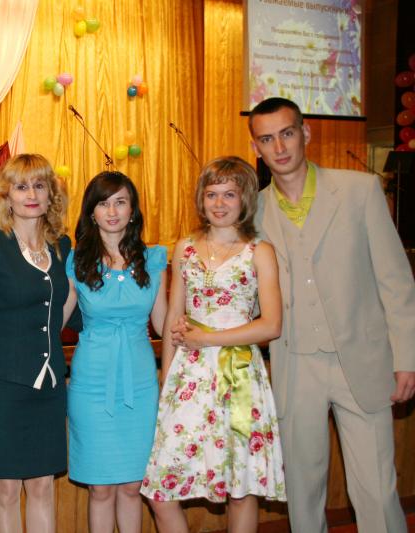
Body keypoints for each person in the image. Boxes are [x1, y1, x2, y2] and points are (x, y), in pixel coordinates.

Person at [247, 97, 415, 532]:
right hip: (294, 364)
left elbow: (396, 282)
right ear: (256, 148)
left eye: (287, 133)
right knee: (302, 491)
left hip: (362, 359)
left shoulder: (360, 190)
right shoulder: (253, 213)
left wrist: (406, 358)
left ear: (305, 133)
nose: (279, 147)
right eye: (267, 139)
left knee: (377, 489)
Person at [144, 156, 286, 532]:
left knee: (241, 489)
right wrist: (167, 377)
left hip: (240, 376)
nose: (219, 203)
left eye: (229, 194)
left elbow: (272, 325)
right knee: (161, 491)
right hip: (188, 376)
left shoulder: (260, 251)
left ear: (245, 199)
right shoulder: (185, 247)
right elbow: (173, 319)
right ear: (201, 199)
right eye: (212, 194)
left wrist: (207, 338)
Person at [0, 153, 73, 533]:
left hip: (50, 386)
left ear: (51, 195)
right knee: (7, 490)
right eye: (21, 186)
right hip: (3, 387)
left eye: (39, 185)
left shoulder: (62, 246)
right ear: (6, 195)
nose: (31, 194)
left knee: (43, 485)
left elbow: (63, 309)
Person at [65, 171, 168, 533]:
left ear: (132, 210)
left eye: (120, 202)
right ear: (91, 212)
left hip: (140, 383)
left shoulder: (154, 259)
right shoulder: (76, 261)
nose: (112, 211)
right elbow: (53, 318)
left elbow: (165, 324)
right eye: (103, 203)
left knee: (132, 486)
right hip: (91, 384)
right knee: (100, 488)